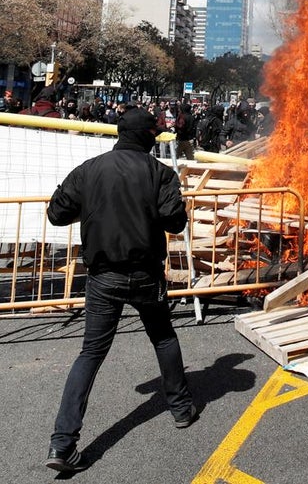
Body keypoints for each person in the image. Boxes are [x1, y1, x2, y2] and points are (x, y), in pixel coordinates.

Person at [44, 106, 196, 473]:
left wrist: (95, 206)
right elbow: (176, 222)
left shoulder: (90, 170)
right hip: (145, 274)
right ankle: (180, 408)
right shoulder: (159, 172)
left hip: (103, 276)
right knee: (162, 337)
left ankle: (63, 444)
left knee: (91, 353)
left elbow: (57, 213)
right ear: (148, 137)